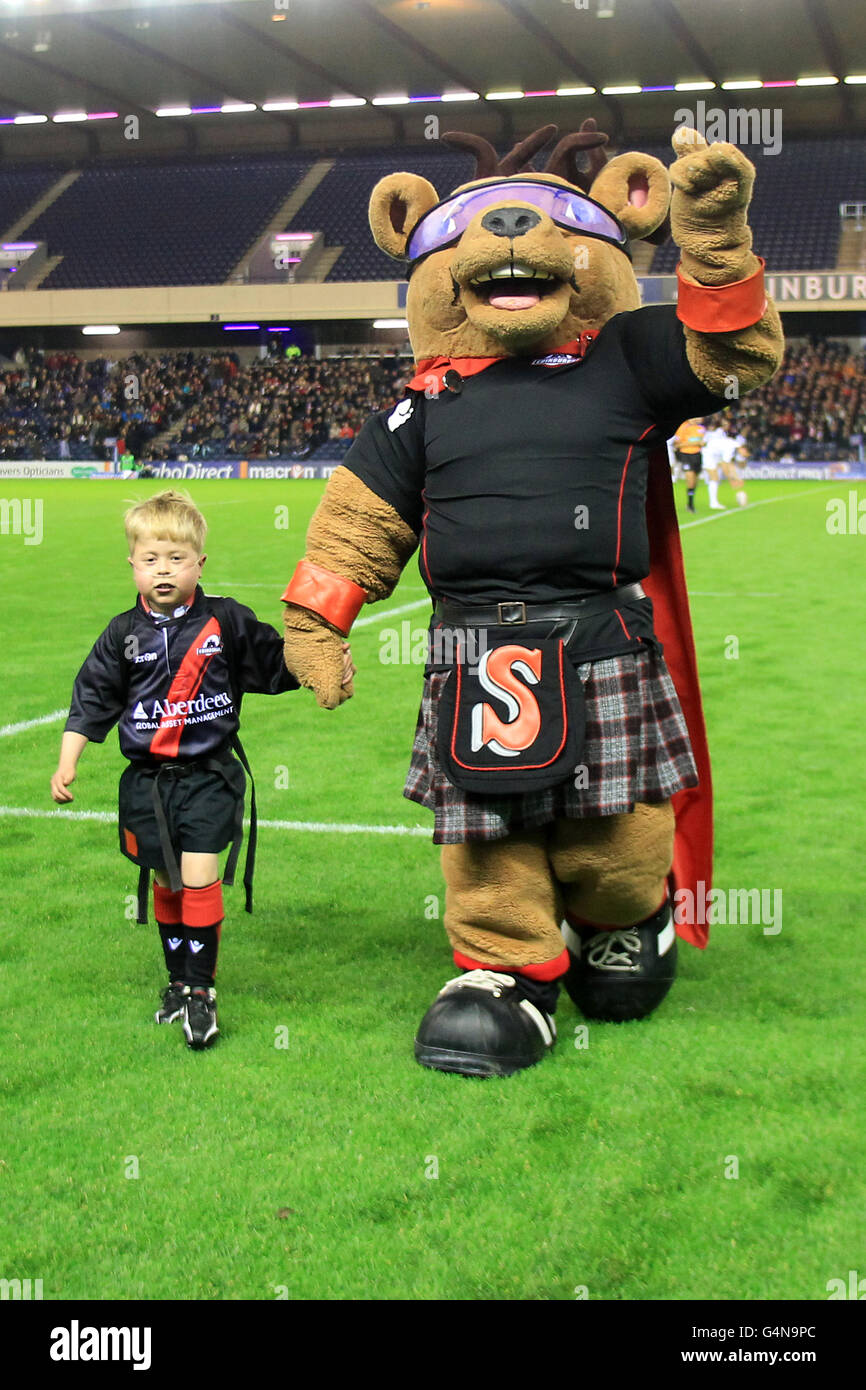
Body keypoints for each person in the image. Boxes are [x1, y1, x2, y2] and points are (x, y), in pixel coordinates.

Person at [50, 489, 355, 1049]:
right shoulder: (122, 635)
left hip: (210, 777)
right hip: (147, 783)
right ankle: (175, 982)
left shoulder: (225, 620)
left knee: (197, 875)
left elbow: (276, 661)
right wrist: (67, 763)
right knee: (165, 880)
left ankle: (201, 991)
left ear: (199, 563)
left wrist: (324, 666)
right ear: (133, 565)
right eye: (151, 560)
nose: (163, 571)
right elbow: (91, 700)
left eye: (175, 559)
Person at [672, 417, 706, 512]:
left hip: (697, 455)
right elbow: (677, 445)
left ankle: (690, 502)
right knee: (690, 480)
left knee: (695, 481)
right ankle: (690, 505)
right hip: (686, 455)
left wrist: (702, 444)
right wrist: (695, 443)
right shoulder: (683, 427)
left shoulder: (701, 429)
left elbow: (702, 442)